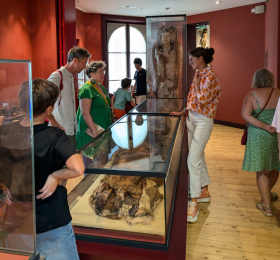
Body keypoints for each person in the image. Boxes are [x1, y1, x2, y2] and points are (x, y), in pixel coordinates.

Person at [170, 47, 222, 223]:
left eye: (192, 59)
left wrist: (198, 84)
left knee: (192, 159)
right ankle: (203, 191)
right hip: (191, 117)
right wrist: (183, 111)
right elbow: (192, 98)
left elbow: (203, 99)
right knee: (197, 155)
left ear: (201, 58)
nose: (190, 63)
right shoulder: (199, 74)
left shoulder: (210, 76)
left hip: (203, 120)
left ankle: (193, 200)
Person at [242, 68, 280, 217]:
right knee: (275, 166)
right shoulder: (278, 93)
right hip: (277, 133)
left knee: (262, 169)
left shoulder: (252, 95)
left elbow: (245, 115)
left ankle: (266, 205)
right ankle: (268, 195)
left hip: (258, 134)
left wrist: (264, 126)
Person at [48, 46, 91, 146]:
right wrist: (53, 121)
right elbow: (43, 101)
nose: (84, 67)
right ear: (75, 60)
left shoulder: (70, 76)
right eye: (84, 63)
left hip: (71, 130)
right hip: (61, 131)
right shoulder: (57, 76)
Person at [76, 61, 113, 150]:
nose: (103, 73)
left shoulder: (100, 86)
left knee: (103, 157)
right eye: (100, 71)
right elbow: (85, 113)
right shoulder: (86, 89)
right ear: (92, 74)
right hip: (93, 129)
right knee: (93, 159)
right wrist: (94, 132)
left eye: (103, 71)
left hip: (103, 125)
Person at [152, 25, 182, 98]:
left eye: (168, 36)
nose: (165, 38)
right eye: (164, 36)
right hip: (161, 76)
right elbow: (154, 62)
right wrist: (157, 76)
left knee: (172, 95)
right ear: (161, 37)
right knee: (162, 98)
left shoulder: (176, 46)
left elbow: (179, 63)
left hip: (172, 75)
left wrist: (177, 79)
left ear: (171, 37)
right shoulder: (156, 47)